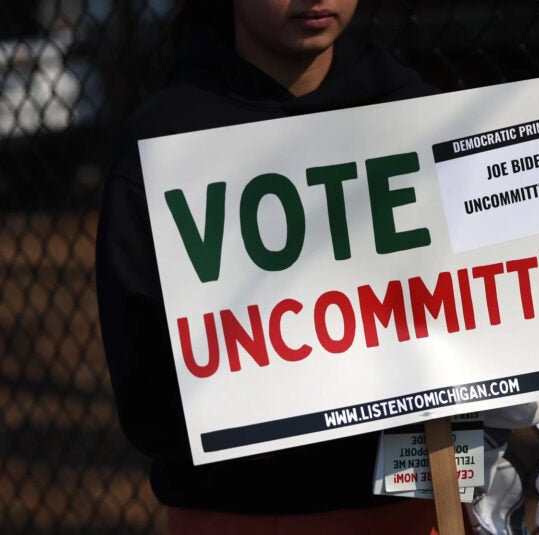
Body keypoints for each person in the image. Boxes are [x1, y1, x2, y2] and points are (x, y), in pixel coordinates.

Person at [96, 1, 457, 533]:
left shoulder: (429, 121)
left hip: (414, 508)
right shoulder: (163, 145)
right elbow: (148, 398)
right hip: (234, 514)